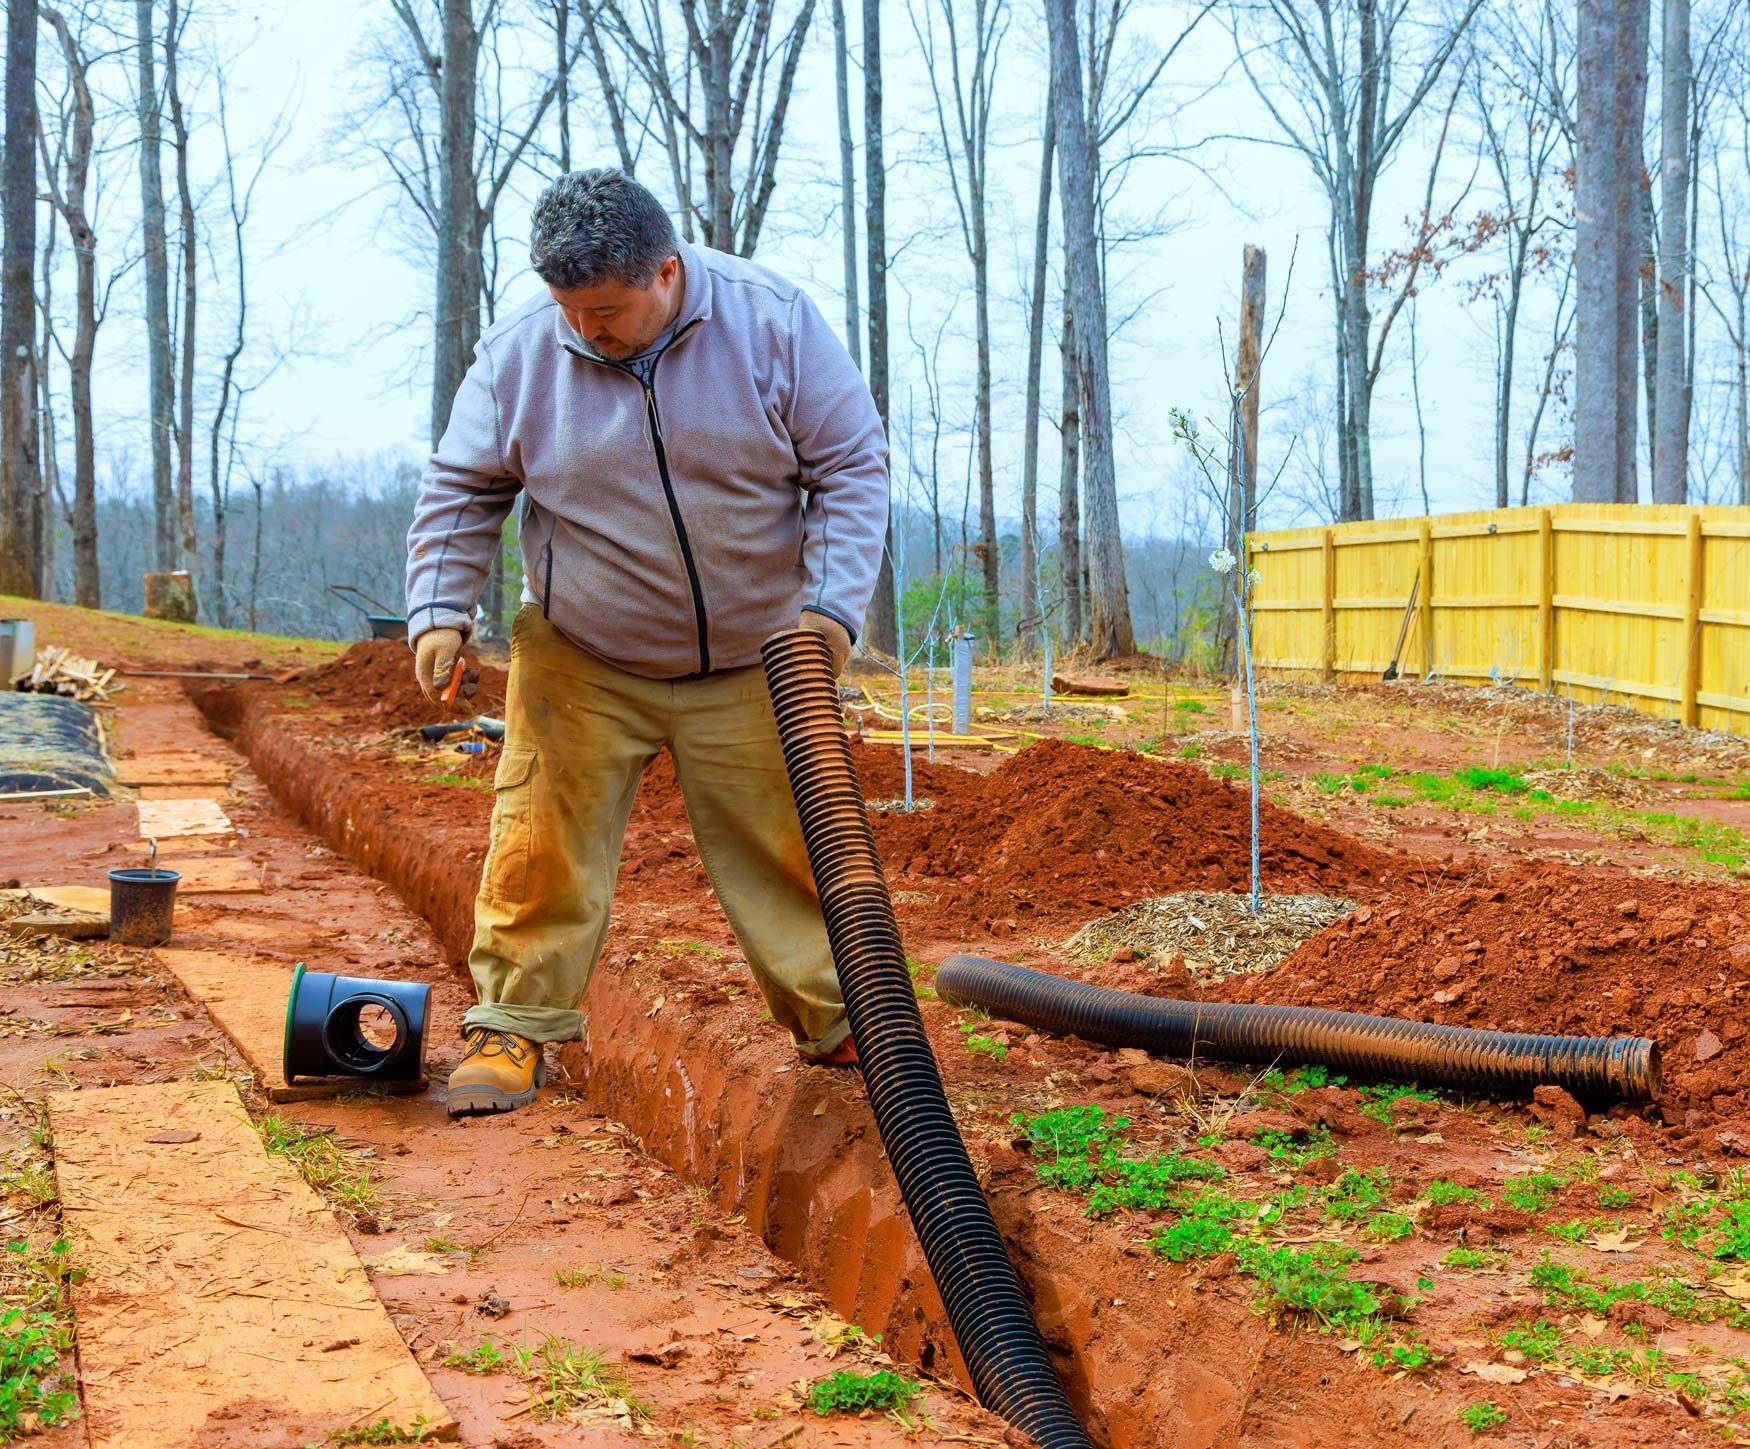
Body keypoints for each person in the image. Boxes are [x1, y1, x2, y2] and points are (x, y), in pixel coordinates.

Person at [405, 168, 888, 1116]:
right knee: (539, 845)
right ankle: (514, 1026)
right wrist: (437, 610)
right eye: (569, 309)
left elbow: (850, 462)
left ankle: (842, 1024)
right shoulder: (518, 358)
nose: (588, 329)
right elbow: (463, 489)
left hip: (757, 654)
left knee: (792, 851)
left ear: (666, 270)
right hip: (584, 652)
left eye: (608, 309)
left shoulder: (772, 323)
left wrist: (830, 609)